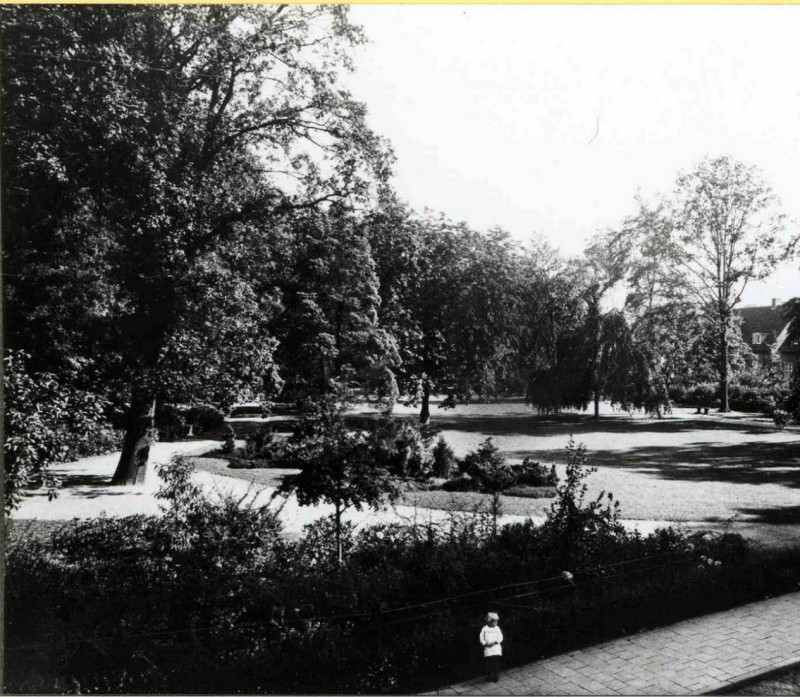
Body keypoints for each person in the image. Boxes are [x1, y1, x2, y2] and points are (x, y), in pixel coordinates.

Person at [479, 612, 503, 682]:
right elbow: (481, 638)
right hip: (488, 649)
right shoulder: (485, 629)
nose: (496, 623)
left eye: (497, 621)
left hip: (496, 649)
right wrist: (485, 644)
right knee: (489, 664)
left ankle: (496, 675)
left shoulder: (497, 628)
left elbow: (501, 637)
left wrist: (496, 642)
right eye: (495, 621)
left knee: (495, 663)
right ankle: (489, 676)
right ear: (490, 621)